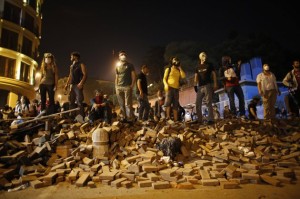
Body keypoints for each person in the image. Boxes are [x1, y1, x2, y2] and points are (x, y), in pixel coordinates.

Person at [194, 52, 218, 124]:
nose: (204, 57)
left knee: (208, 102)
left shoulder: (209, 65)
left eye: (205, 55)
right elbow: (196, 76)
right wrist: (195, 85)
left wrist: (215, 84)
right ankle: (199, 119)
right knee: (197, 103)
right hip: (200, 86)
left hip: (208, 85)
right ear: (200, 57)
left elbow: (213, 74)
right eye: (202, 55)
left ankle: (211, 119)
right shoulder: (197, 66)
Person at [64, 51, 87, 122]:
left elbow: (85, 74)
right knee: (71, 101)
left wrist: (81, 83)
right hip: (72, 85)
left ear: (75, 57)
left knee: (79, 101)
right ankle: (72, 117)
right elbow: (70, 76)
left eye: (71, 56)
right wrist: (66, 84)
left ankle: (81, 118)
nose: (70, 57)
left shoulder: (81, 64)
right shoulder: (71, 66)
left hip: (78, 85)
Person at [163, 56, 186, 122]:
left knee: (175, 104)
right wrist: (166, 85)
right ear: (172, 61)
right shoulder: (168, 69)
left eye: (177, 60)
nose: (176, 61)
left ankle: (176, 119)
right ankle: (168, 117)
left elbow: (183, 76)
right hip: (169, 88)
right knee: (168, 103)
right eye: (174, 60)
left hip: (176, 89)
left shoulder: (178, 70)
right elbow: (164, 79)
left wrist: (180, 68)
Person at [115, 50, 136, 122]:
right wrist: (116, 87)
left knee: (128, 104)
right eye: (121, 54)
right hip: (119, 87)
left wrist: (132, 85)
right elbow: (117, 77)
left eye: (124, 54)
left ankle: (129, 118)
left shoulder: (130, 65)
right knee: (121, 104)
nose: (123, 55)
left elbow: (133, 75)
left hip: (127, 86)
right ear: (119, 56)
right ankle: (124, 118)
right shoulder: (117, 66)